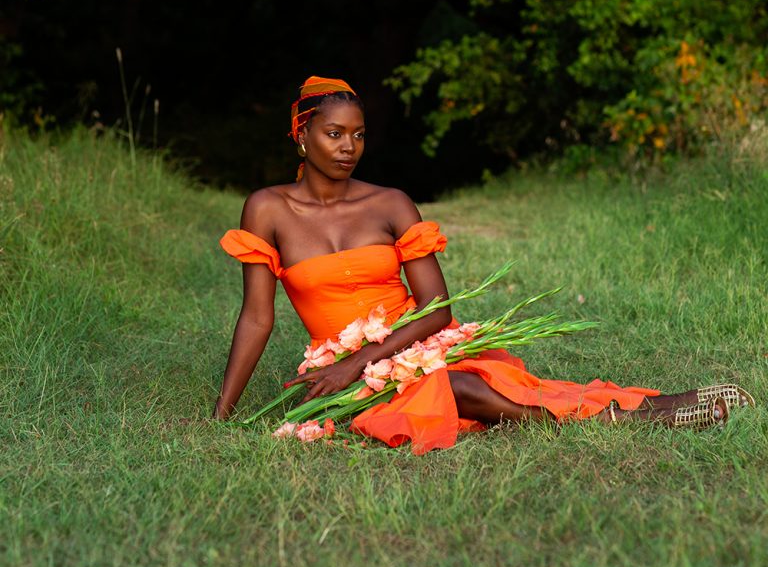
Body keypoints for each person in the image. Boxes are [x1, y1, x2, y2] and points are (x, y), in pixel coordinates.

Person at [213, 76, 753, 452]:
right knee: (462, 396)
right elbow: (257, 317)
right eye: (334, 134)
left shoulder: (391, 204)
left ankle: (630, 417)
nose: (349, 147)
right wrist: (224, 412)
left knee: (474, 388)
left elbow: (438, 309)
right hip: (342, 368)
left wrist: (361, 362)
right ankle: (638, 417)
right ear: (301, 135)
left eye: (358, 134)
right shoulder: (268, 208)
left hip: (412, 344)